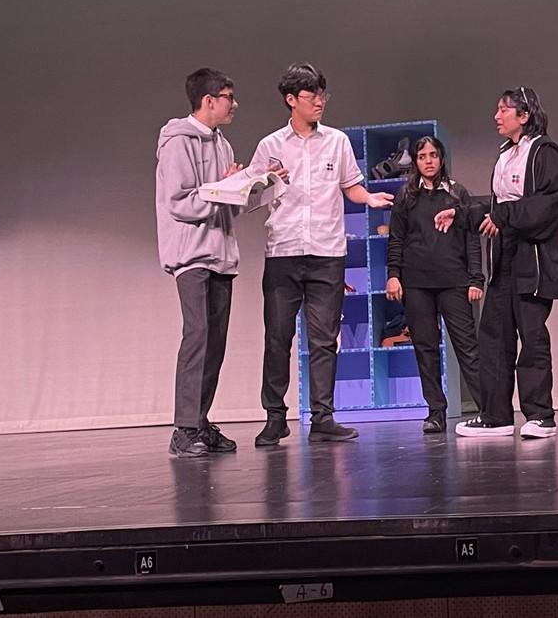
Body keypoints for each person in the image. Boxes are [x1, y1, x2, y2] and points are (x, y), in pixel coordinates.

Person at [249, 64, 394, 444]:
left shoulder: (337, 141)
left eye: (322, 95)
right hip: (283, 250)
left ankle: (323, 418)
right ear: (291, 99)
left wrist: (369, 198)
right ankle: (275, 417)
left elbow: (351, 186)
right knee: (277, 337)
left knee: (325, 339)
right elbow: (251, 199)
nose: (319, 102)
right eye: (311, 95)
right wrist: (266, 181)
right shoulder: (270, 145)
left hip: (327, 251)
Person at [155, 68, 283, 458]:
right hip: (192, 254)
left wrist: (259, 183)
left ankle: (199, 420)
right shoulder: (178, 142)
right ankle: (184, 428)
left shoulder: (222, 145)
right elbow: (179, 202)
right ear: (208, 100)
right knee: (197, 335)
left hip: (221, 256)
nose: (234, 103)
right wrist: (225, 187)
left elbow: (230, 204)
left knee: (215, 342)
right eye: (228, 96)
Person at [451, 87, 558, 440]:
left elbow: (548, 205)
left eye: (504, 110)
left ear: (524, 115)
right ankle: (496, 416)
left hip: (533, 258)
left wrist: (504, 216)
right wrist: (460, 215)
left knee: (531, 337)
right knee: (493, 337)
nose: (497, 116)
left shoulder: (545, 153)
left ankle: (540, 416)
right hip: (504, 255)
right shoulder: (505, 155)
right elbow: (495, 209)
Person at [384, 136, 483, 434]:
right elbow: (396, 239)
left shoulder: (457, 193)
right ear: (415, 162)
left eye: (433, 155)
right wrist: (393, 274)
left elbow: (471, 238)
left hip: (453, 281)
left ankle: (488, 409)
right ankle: (435, 412)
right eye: (422, 156)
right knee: (425, 349)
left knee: (468, 347)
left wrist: (475, 279)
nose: (428, 161)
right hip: (416, 284)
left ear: (441, 158)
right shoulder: (406, 196)